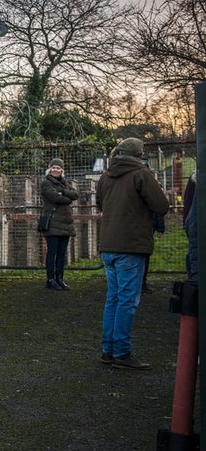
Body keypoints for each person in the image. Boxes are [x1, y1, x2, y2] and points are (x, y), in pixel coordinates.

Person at [96, 137, 170, 370]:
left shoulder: (105, 176)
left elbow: (100, 204)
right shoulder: (141, 173)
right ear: (139, 154)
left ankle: (108, 350)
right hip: (131, 245)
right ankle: (122, 352)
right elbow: (161, 206)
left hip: (108, 245)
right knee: (128, 301)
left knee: (114, 299)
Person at [39, 158, 79, 290]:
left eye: (58, 168)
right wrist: (67, 198)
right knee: (52, 252)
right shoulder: (46, 183)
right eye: (53, 167)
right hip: (53, 223)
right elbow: (55, 198)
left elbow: (76, 194)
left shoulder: (64, 183)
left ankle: (60, 279)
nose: (56, 170)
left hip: (65, 223)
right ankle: (50, 280)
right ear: (50, 169)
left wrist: (64, 192)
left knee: (62, 253)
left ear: (62, 170)